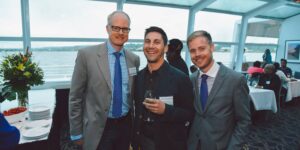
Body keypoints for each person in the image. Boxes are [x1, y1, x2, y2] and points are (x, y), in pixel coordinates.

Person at [69, 11, 140, 150]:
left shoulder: (134, 59)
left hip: (125, 126)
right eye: (115, 28)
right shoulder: (87, 56)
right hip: (98, 127)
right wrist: (76, 132)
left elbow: (132, 94)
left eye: (125, 29)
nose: (120, 32)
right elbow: (75, 97)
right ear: (107, 28)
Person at [187, 30, 251, 150]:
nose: (197, 54)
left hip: (221, 145)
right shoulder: (191, 79)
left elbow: (244, 121)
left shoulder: (236, 80)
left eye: (201, 48)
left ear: (212, 48)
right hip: (193, 144)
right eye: (192, 50)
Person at [132, 26, 194, 150]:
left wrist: (166, 110)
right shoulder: (138, 77)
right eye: (147, 41)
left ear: (165, 48)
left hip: (169, 144)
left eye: (157, 42)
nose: (151, 46)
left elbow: (189, 114)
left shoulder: (181, 78)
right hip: (142, 143)